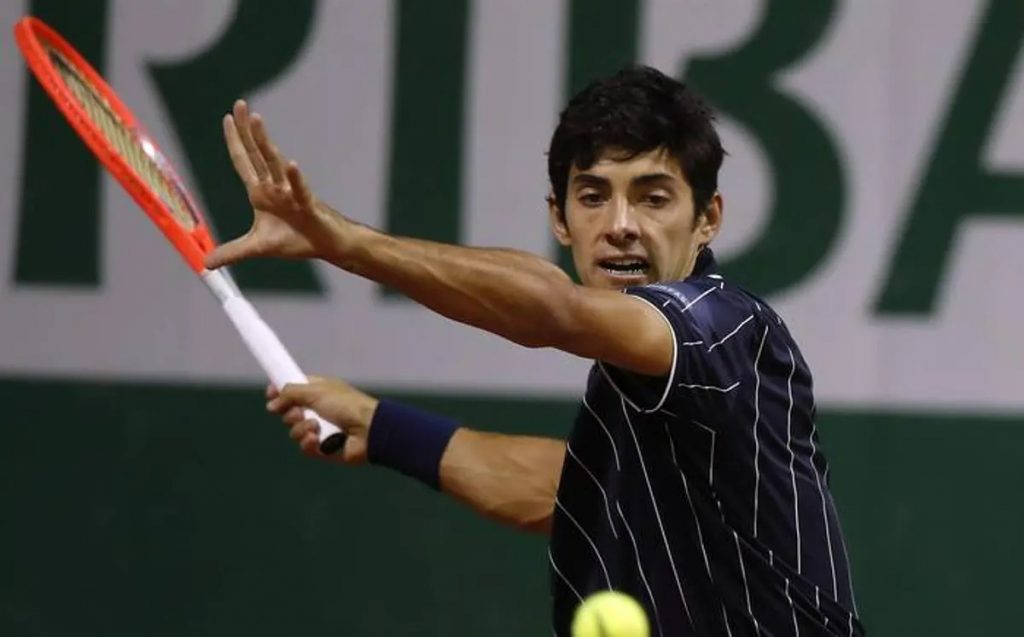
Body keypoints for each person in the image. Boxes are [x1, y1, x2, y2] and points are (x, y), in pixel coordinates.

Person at [206, 66, 863, 637]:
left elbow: (553, 308)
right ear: (560, 218)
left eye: (653, 197)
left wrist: (340, 241)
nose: (620, 225)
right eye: (593, 196)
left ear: (708, 219)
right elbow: (564, 490)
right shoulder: (633, 382)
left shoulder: (721, 329)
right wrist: (381, 427)